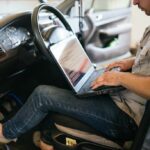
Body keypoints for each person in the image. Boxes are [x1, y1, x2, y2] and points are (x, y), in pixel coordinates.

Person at [0, 0, 150, 150]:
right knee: (69, 82)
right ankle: (45, 136)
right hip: (124, 100)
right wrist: (131, 62)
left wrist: (119, 78)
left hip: (126, 118)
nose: (135, 2)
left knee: (42, 95)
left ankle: (6, 133)